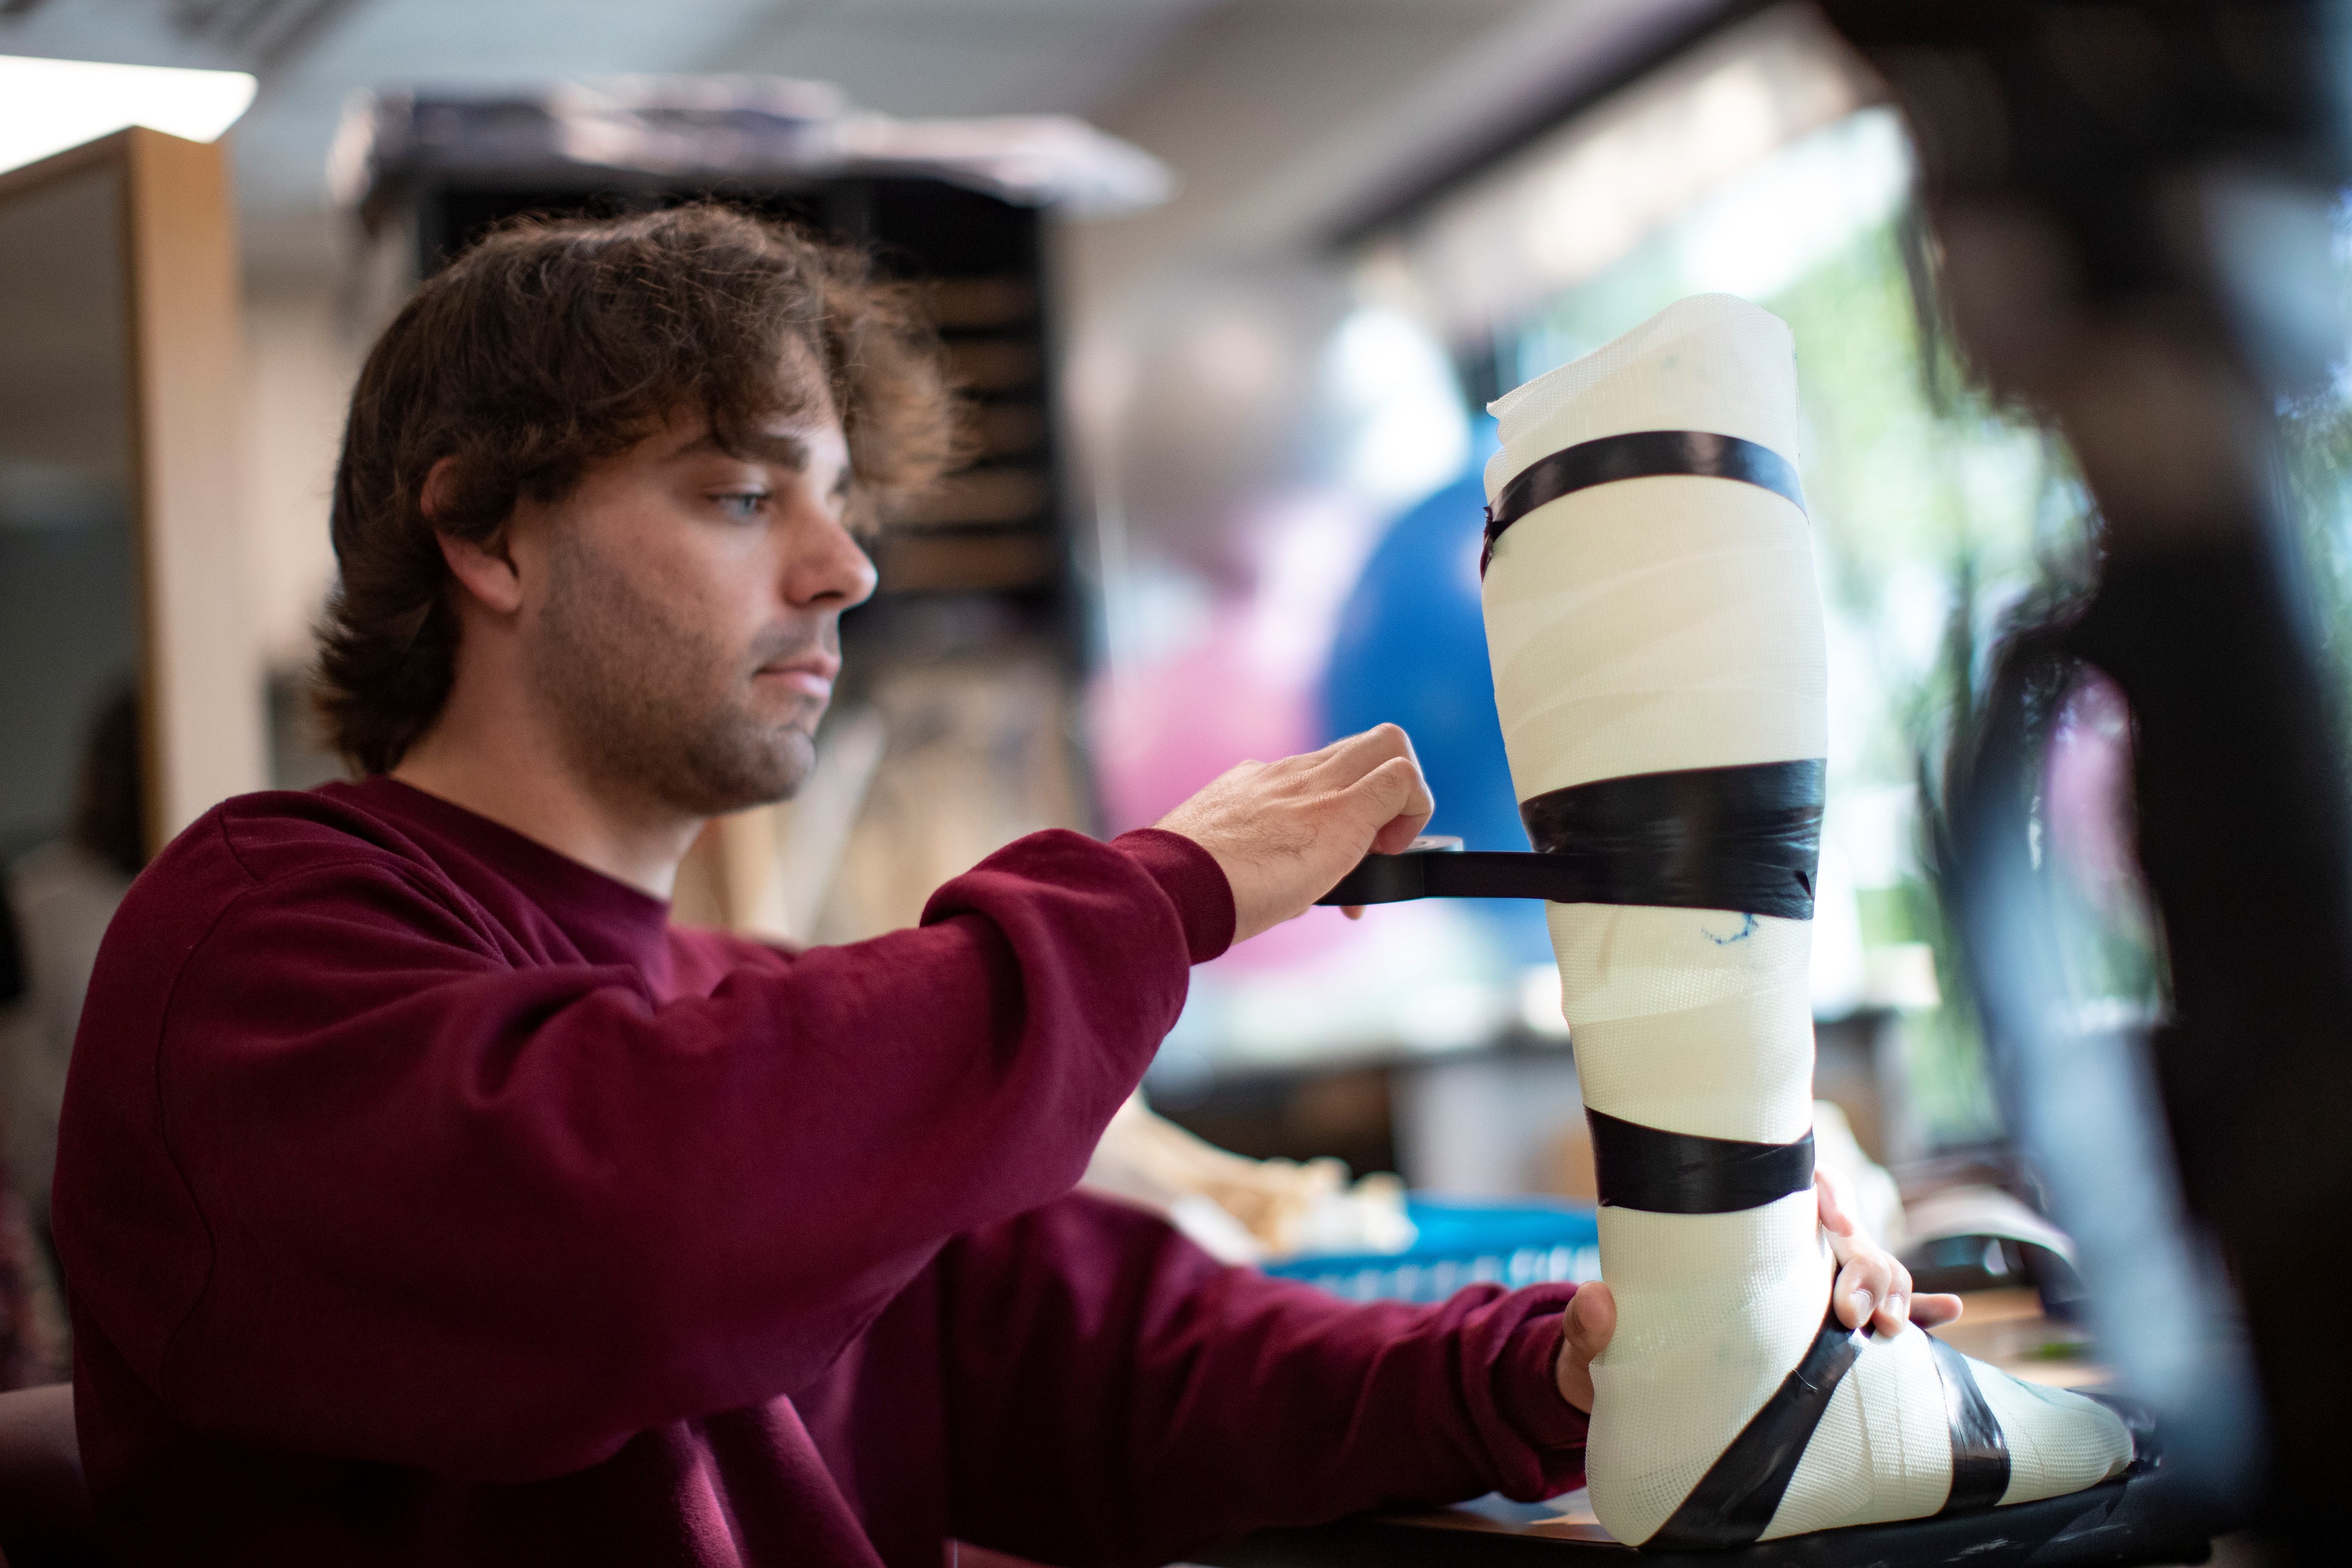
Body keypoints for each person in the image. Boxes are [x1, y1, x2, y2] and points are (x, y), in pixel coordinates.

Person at [52, 205, 1926, 1566]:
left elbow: (1117, 1362)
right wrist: (1164, 894)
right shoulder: (258, 939)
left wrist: (1560, 1367)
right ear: (482, 530)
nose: (844, 571)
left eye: (842, 502)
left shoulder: (737, 1008)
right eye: (740, 496)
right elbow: (640, 1233)